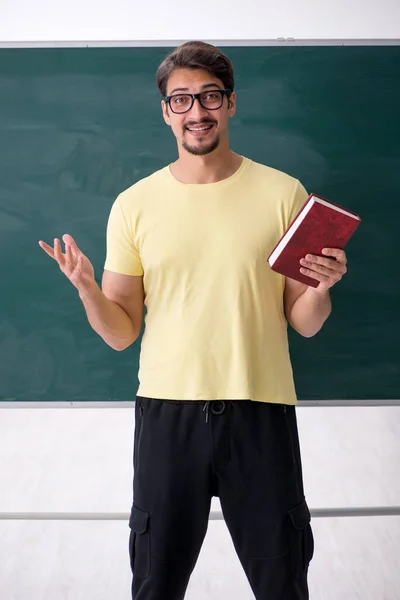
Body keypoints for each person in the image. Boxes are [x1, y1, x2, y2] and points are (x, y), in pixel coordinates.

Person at [39, 41, 348, 600]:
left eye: (209, 96)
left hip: (261, 410)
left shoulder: (284, 194)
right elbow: (121, 331)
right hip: (167, 416)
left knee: (282, 582)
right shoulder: (134, 204)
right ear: (165, 111)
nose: (196, 111)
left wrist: (321, 288)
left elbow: (304, 321)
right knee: (156, 584)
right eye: (181, 100)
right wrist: (86, 288)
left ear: (231, 104)